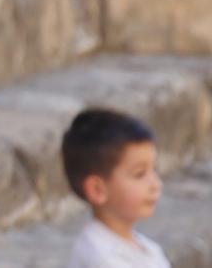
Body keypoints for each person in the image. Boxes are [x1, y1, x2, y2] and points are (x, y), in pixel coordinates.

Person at [62, 108, 170, 268]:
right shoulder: (99, 258)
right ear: (97, 189)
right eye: (139, 174)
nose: (155, 184)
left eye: (154, 170)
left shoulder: (146, 247)